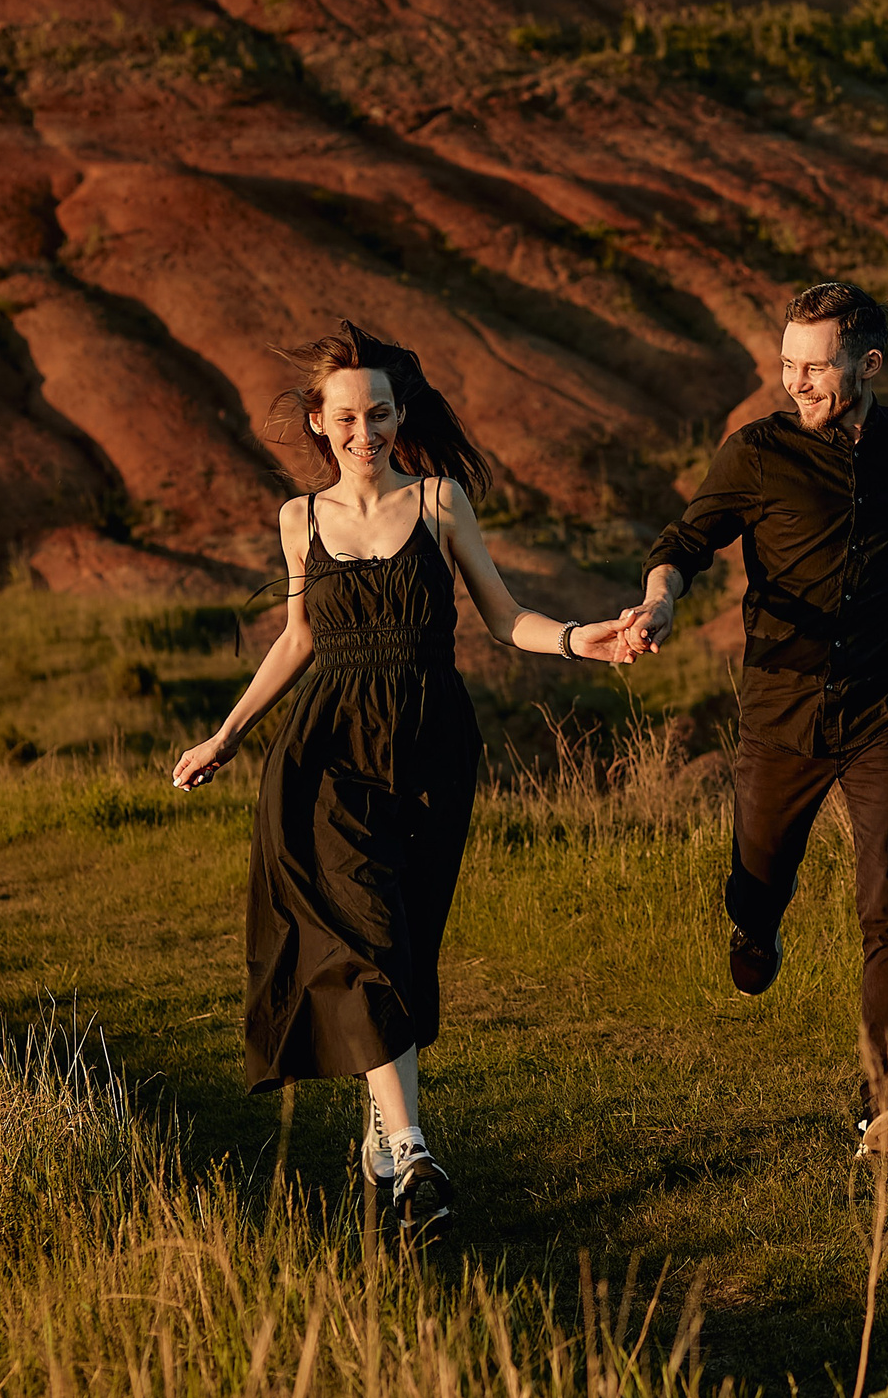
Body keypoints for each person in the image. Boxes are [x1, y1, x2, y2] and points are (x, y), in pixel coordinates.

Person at [171, 321, 627, 1242]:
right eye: (345, 416)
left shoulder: (440, 501)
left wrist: (585, 638)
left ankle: (385, 1130)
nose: (364, 431)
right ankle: (416, 1154)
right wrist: (227, 734)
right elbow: (299, 638)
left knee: (405, 946)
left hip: (430, 748)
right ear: (318, 421)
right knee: (367, 933)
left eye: (378, 413)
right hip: (326, 751)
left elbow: (504, 617)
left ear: (398, 414)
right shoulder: (300, 520)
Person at [617, 282, 888, 1159]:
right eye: (788, 364)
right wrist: (659, 603)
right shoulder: (756, 454)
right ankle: (757, 925)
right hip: (781, 710)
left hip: (882, 709)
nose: (797, 382)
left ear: (868, 364)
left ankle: (886, 1107)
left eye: (814, 367)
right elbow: (685, 542)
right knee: (756, 891)